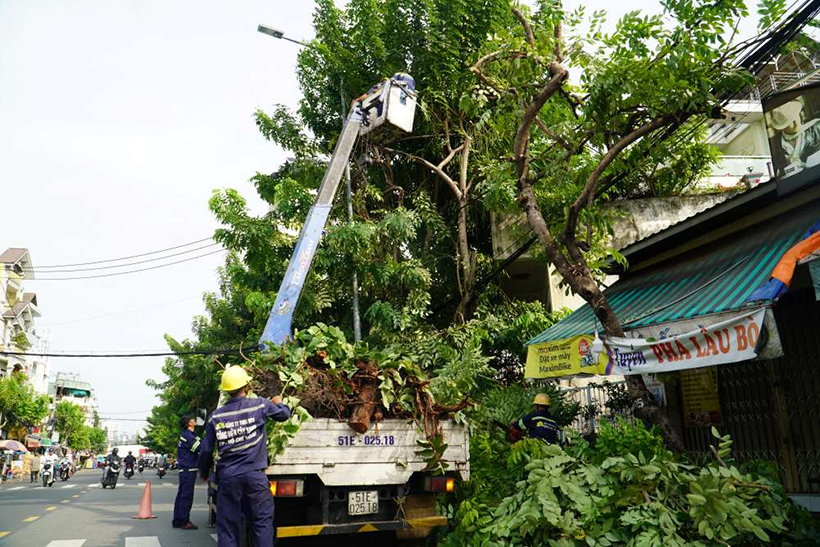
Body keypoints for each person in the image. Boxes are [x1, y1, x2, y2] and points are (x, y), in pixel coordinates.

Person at [199, 366, 291, 547]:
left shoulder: (216, 416)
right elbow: (284, 415)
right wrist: (279, 402)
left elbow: (206, 450)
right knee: (261, 525)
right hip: (255, 477)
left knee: (228, 528)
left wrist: (204, 471)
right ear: (247, 385)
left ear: (226, 391)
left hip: (229, 479)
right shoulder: (259, 404)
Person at [769, 100, 820, 178]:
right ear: (782, 127)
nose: (796, 122)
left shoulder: (816, 128)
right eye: (790, 121)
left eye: (796, 116)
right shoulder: (774, 145)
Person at [172, 414, 202, 530]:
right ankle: (184, 521)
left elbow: (200, 442)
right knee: (186, 496)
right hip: (188, 469)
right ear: (189, 423)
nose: (195, 420)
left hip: (186, 469)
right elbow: (199, 447)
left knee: (181, 495)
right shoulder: (188, 436)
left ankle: (177, 520)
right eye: (193, 419)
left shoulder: (190, 435)